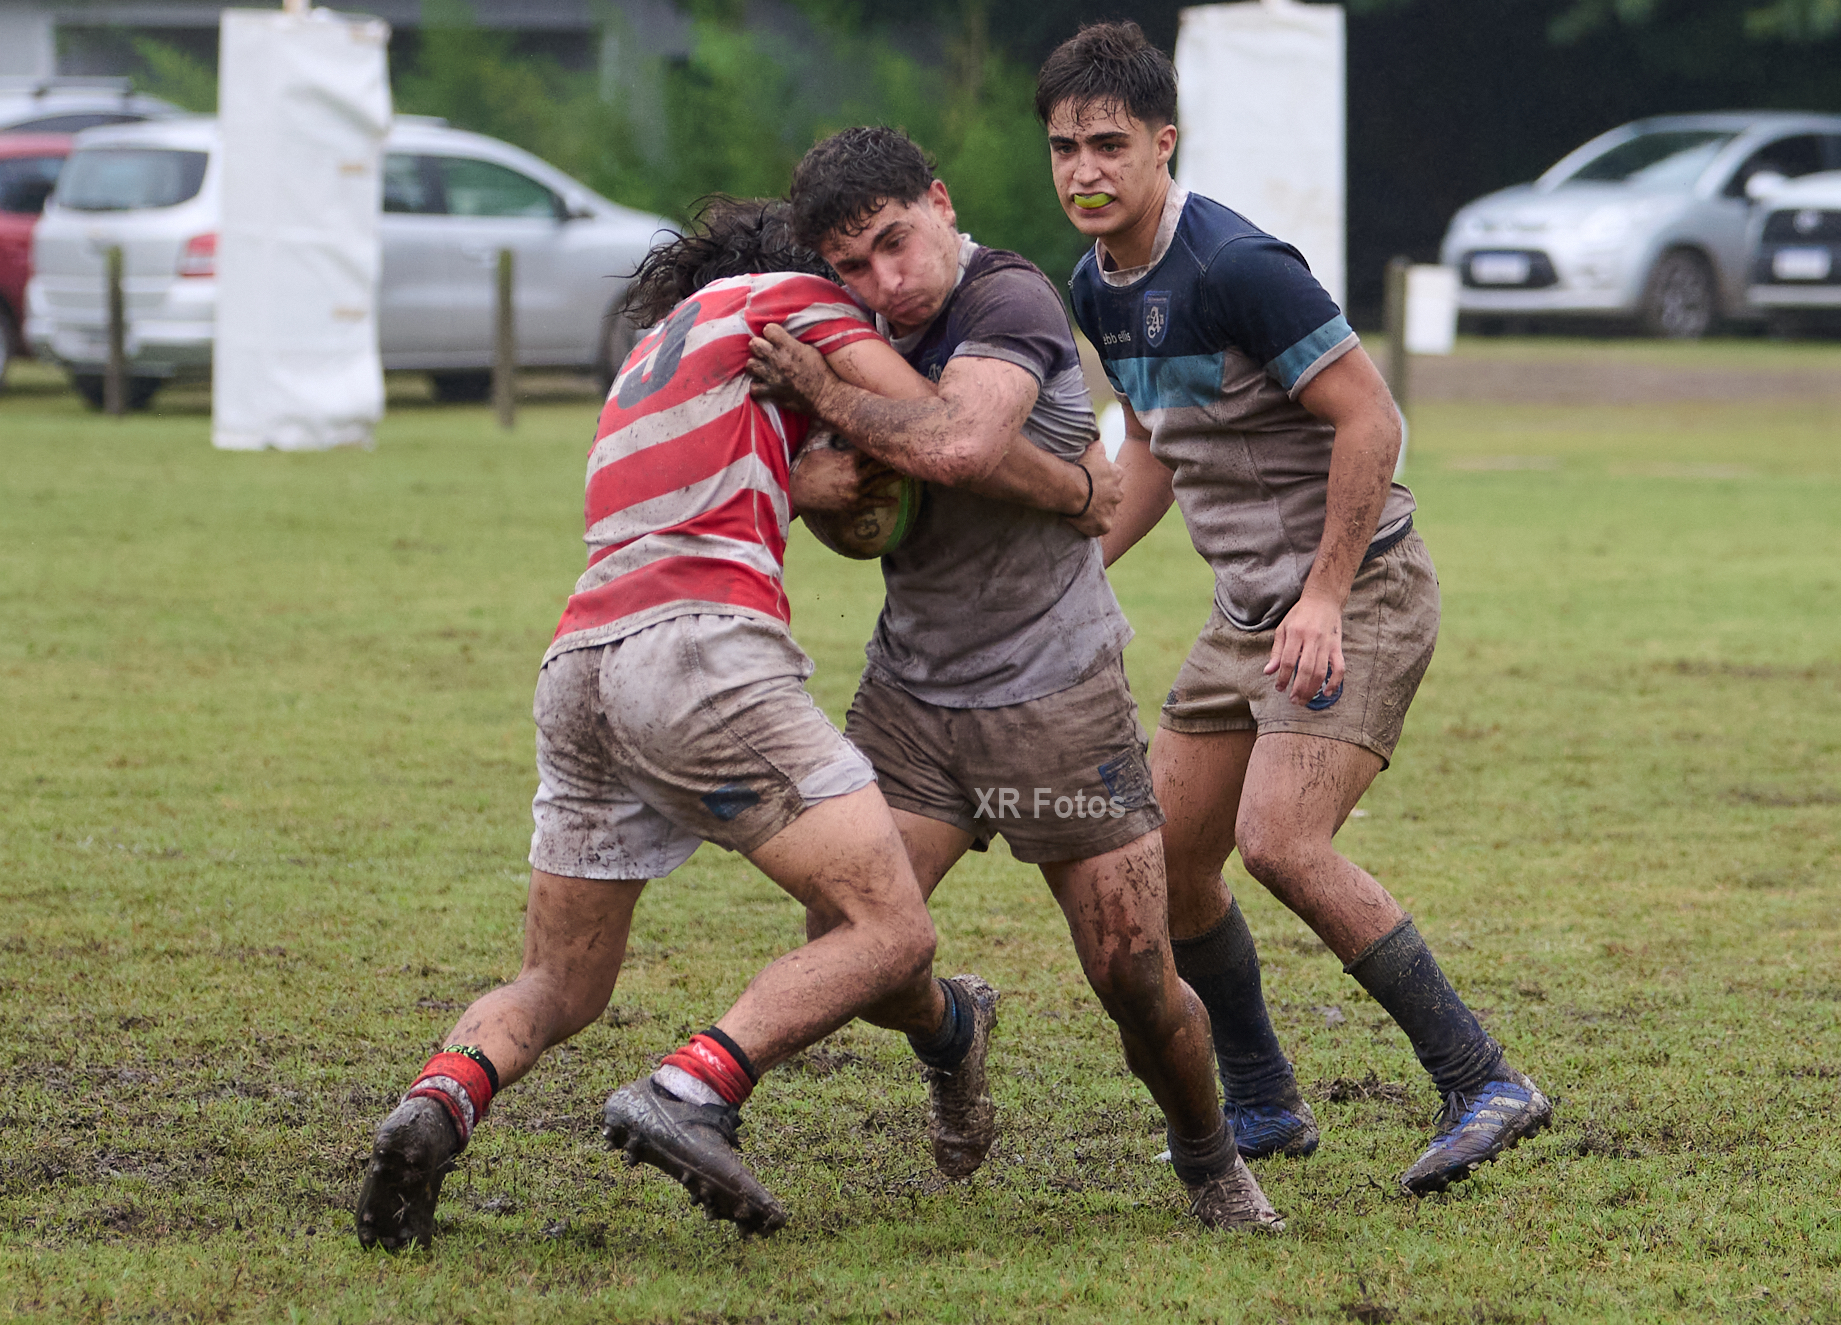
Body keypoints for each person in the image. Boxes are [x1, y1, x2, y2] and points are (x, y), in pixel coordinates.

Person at [354, 199, 1109, 1250]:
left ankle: (437, 1099)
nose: (864, 290)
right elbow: (946, 431)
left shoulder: (648, 356)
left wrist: (801, 483)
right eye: (847, 270)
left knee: (558, 979)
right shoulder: (789, 303)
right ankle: (690, 1086)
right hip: (697, 655)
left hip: (576, 663)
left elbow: (730, 487)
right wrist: (1079, 489)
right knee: (888, 925)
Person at [1039, 23, 1553, 1194]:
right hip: (1244, 611)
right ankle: (1263, 1099)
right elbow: (1157, 450)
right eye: (1064, 147)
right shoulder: (1096, 286)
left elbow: (1371, 421)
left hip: (1356, 586)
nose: (1083, 170)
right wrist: (1073, 575)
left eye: (1108, 144)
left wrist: (1322, 596)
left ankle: (1481, 1077)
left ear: (1162, 143)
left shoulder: (1237, 266)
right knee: (1162, 866)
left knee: (1277, 837)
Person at [745, 126, 1283, 1231]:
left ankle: (1211, 1159)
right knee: (843, 946)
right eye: (850, 267)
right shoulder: (841, 326)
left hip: (1054, 695)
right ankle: (953, 1026)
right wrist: (814, 484)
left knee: (1132, 969)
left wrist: (830, 396)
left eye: (896, 243)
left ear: (940, 203)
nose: (882, 285)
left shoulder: (1009, 299)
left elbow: (950, 444)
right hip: (913, 699)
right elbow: (859, 507)